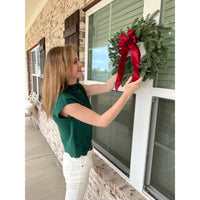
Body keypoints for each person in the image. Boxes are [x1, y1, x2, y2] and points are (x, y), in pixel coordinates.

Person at [42, 45, 143, 200]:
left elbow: (106, 87)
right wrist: (127, 94)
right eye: (75, 61)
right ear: (62, 68)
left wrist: (126, 61)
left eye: (78, 60)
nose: (81, 64)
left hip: (79, 160)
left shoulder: (76, 88)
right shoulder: (65, 101)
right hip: (78, 163)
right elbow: (101, 121)